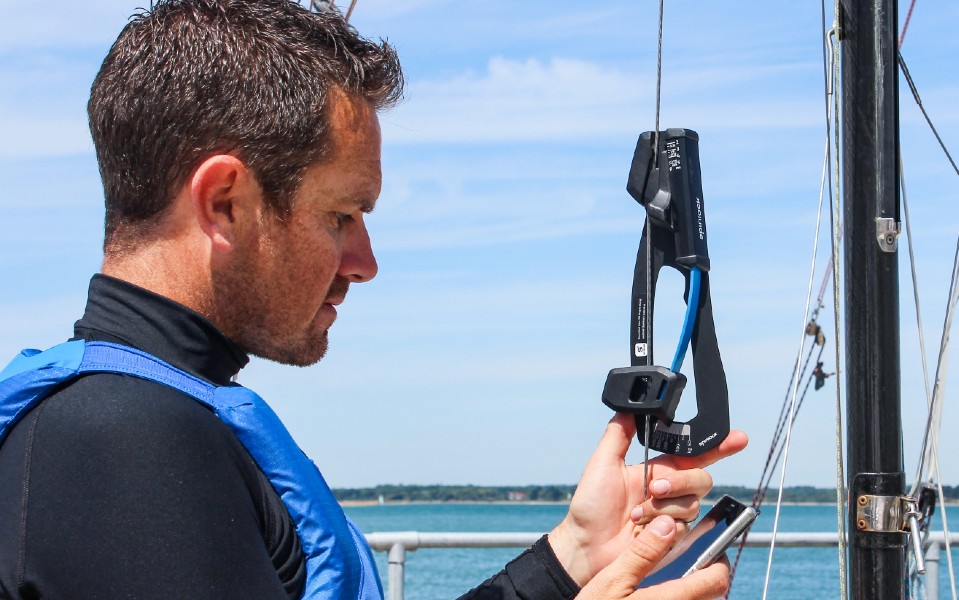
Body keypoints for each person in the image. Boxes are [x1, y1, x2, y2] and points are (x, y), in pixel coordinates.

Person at [0, 1, 746, 598]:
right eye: (341, 216)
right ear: (225, 201)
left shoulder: (140, 418)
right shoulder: (119, 442)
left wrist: (572, 556)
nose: (365, 264)